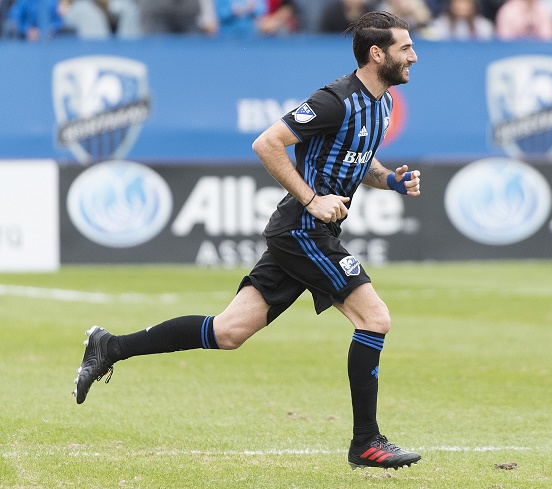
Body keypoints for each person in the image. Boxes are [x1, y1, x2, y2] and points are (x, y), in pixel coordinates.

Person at [72, 10, 422, 472]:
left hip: (308, 232)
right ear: (377, 54)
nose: (414, 55)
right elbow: (267, 143)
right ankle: (366, 443)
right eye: (405, 48)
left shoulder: (383, 104)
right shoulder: (335, 99)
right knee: (374, 319)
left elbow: (361, 161)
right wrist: (313, 199)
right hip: (302, 230)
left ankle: (109, 346)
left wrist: (391, 181)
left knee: (228, 332)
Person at [427, 0, 494, 40]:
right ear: (451, 4)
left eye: (466, 2)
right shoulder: (440, 25)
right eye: (458, 2)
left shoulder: (484, 26)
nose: (462, 6)